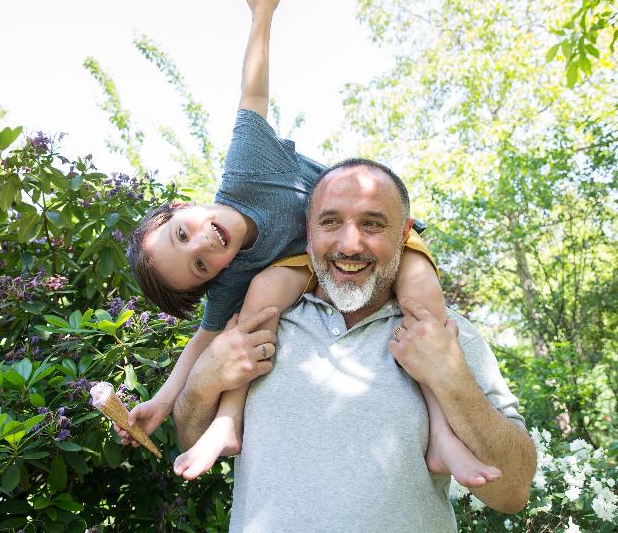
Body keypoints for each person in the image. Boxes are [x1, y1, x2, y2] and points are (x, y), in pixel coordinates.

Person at [120, 0, 498, 487]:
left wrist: (262, 15)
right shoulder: (237, 275)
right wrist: (163, 399)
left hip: (367, 238)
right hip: (312, 261)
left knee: (421, 296)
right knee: (258, 303)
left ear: (182, 209)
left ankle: (440, 433)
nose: (205, 246)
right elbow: (203, 340)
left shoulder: (247, 169)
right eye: (202, 266)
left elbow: (253, 91)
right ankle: (228, 422)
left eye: (185, 234)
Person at [173, 158, 538, 532]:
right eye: (330, 222)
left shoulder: (444, 333)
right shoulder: (261, 319)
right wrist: (203, 382)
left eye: (372, 224)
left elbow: (512, 493)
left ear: (404, 234)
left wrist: (451, 377)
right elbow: (192, 439)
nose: (350, 244)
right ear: (308, 231)